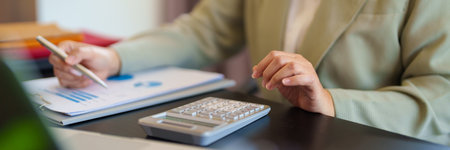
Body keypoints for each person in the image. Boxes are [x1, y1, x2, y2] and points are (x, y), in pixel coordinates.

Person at [49, 0, 449, 145]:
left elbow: (441, 93)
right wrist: (114, 59)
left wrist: (329, 101)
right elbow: (205, 29)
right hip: (267, 132)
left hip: (360, 137)